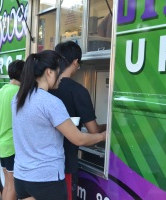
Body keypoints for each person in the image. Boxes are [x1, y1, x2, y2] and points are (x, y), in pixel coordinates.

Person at [11, 50, 106, 200]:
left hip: (22, 177)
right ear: (49, 72)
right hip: (46, 180)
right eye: (58, 73)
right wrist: (103, 136)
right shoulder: (50, 102)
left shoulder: (18, 98)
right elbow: (78, 139)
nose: (61, 78)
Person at [50, 41, 106, 200]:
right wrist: (107, 128)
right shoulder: (78, 91)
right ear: (75, 62)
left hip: (43, 164)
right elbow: (93, 130)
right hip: (65, 162)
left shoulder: (45, 89)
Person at [0, 60, 24, 200]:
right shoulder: (19, 93)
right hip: (12, 145)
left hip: (1, 143)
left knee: (7, 184)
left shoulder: (1, 91)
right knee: (12, 185)